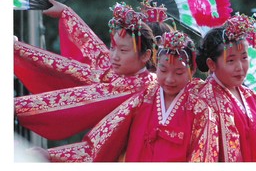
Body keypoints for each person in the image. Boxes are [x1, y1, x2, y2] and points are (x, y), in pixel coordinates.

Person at [45, 30, 219, 162]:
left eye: (179, 72)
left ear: (192, 70)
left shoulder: (200, 110)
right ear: (155, 65)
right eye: (163, 70)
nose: (170, 79)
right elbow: (101, 141)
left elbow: (203, 159)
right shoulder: (141, 98)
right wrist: (51, 155)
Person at [14, 0, 157, 140]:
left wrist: (18, 106)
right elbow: (95, 52)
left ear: (146, 55)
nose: (114, 56)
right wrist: (66, 14)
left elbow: (76, 100)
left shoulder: (139, 88)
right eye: (113, 48)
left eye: (123, 50)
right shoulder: (127, 72)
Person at [195, 13, 256, 162]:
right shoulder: (205, 99)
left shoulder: (251, 96)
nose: (240, 67)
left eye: (244, 58)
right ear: (212, 64)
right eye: (231, 60)